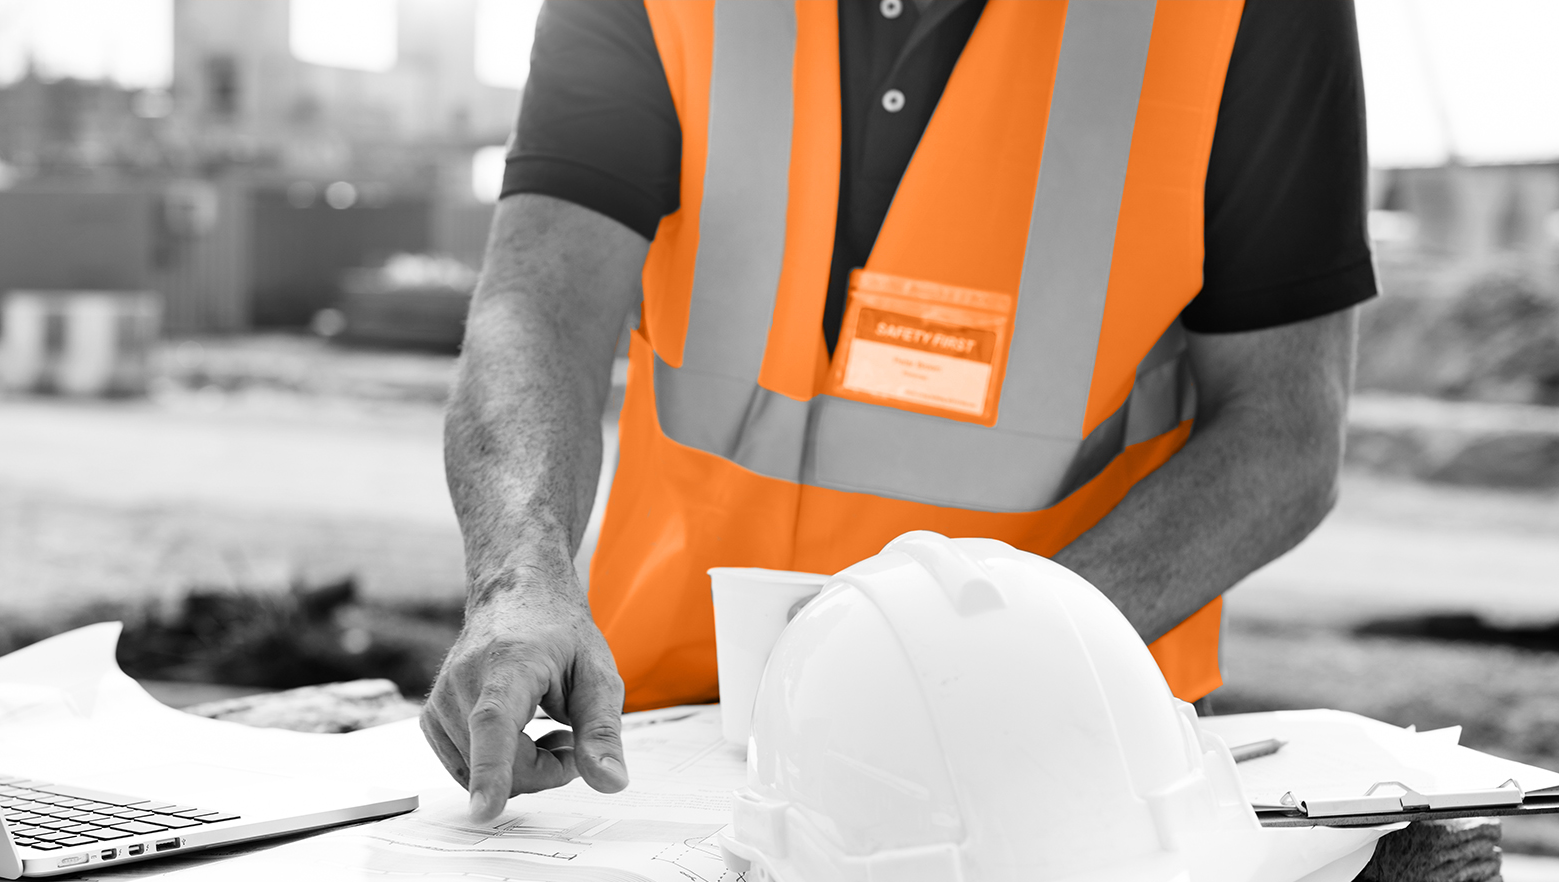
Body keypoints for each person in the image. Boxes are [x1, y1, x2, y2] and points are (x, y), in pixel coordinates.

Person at [422, 0, 1375, 822]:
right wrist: (520, 579)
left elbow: (1285, 429)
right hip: (671, 741)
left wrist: (989, 655)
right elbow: (539, 304)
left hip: (1054, 752)